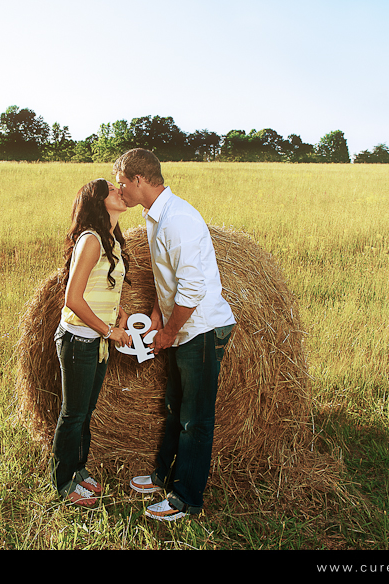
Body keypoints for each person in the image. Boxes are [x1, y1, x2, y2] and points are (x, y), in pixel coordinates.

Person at [114, 149, 236, 521]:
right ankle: (162, 476)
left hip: (200, 330)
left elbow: (193, 288)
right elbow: (167, 280)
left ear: (139, 180)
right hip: (183, 327)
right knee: (173, 407)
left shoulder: (177, 219)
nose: (120, 190)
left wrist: (168, 332)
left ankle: (187, 499)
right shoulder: (157, 216)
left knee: (195, 419)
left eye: (122, 182)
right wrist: (155, 316)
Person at [51, 178, 132, 507]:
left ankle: (79, 470)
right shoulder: (91, 241)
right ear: (98, 202)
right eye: (112, 190)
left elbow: (102, 287)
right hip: (77, 340)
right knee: (72, 414)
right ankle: (63, 484)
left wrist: (119, 312)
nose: (120, 192)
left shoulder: (110, 239)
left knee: (86, 411)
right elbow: (73, 298)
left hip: (94, 340)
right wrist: (109, 331)